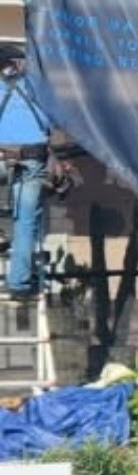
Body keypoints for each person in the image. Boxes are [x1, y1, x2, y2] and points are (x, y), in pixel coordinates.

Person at [0, 58, 50, 297]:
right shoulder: (40, 86)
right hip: (32, 157)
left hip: (2, 155)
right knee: (26, 222)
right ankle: (18, 282)